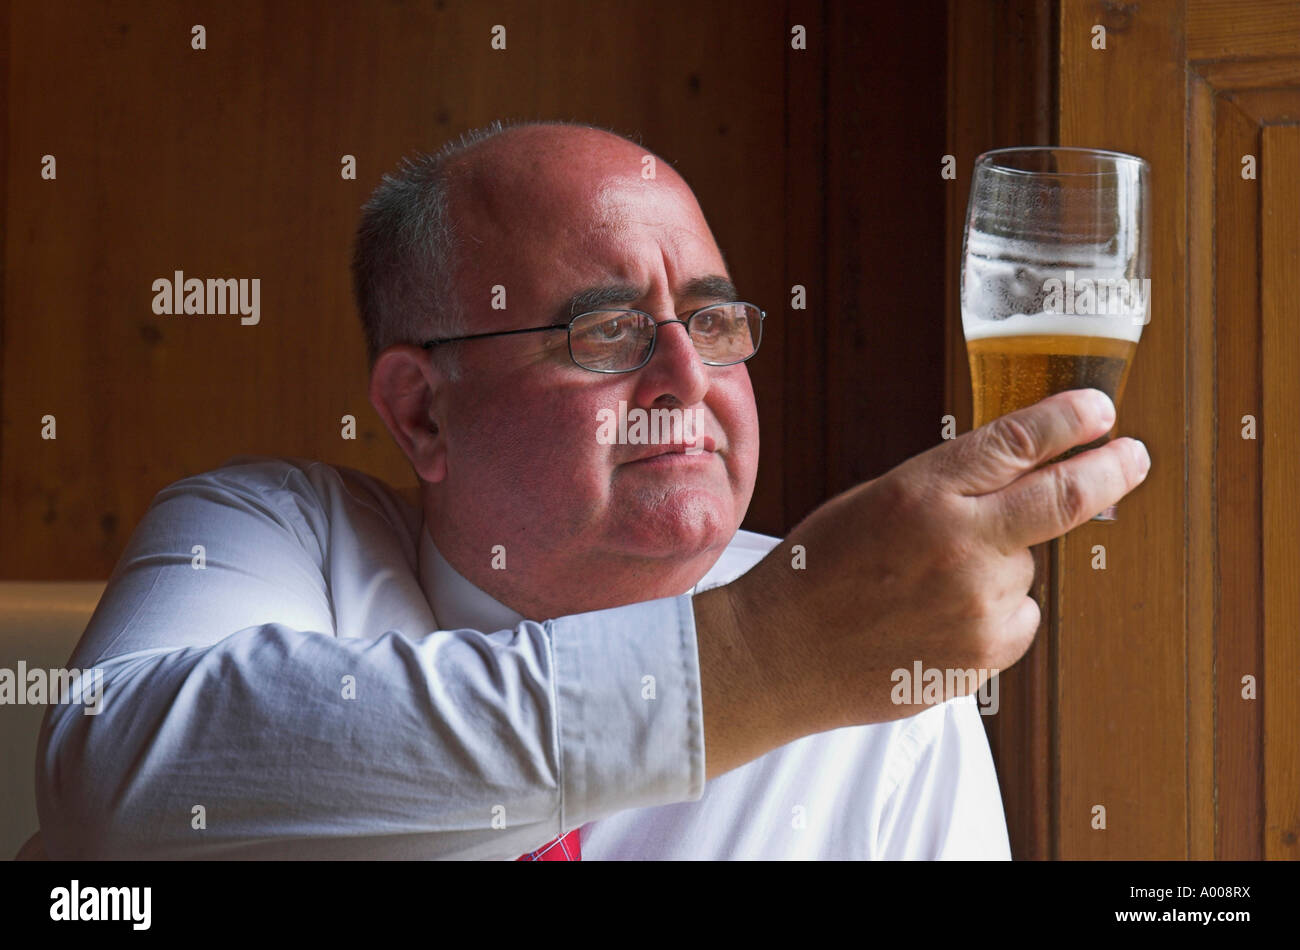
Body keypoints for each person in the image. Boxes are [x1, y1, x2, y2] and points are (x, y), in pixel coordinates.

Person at [32, 119, 1150, 859]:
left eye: (712, 320)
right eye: (604, 329)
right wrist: (769, 657)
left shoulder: (881, 649)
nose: (685, 377)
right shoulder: (275, 535)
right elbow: (111, 773)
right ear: (423, 410)